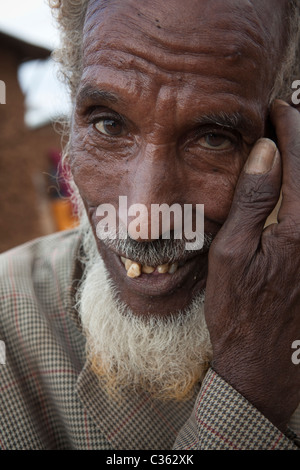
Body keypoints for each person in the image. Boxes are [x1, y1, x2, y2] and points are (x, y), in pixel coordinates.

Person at [0, 0, 299, 450]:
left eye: (213, 138)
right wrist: (248, 396)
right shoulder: (9, 323)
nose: (142, 222)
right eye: (108, 124)